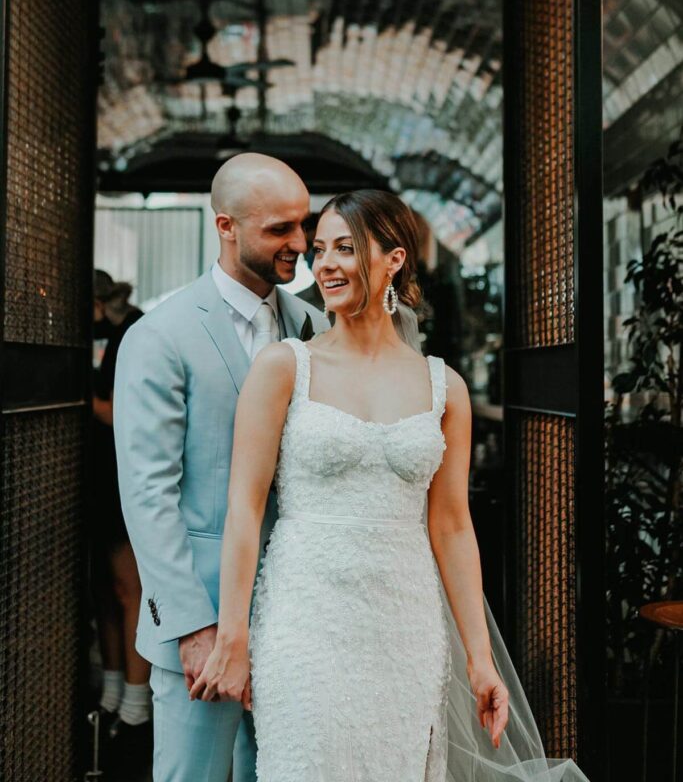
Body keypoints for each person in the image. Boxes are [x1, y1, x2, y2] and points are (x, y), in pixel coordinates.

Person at [190, 189, 591, 782]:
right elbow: (245, 511)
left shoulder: (443, 387)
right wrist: (233, 635)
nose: (323, 263)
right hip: (306, 622)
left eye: (345, 248)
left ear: (393, 260)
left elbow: (452, 526)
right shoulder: (284, 367)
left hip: (407, 629)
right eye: (319, 249)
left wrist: (481, 659)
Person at [113, 154, 328, 782]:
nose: (300, 244)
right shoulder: (160, 336)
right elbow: (149, 495)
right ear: (226, 226)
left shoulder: (315, 327)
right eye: (279, 230)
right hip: (202, 623)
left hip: (300, 614)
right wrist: (192, 627)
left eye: (303, 224)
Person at [90, 271, 151, 764]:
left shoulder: (132, 331)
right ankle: (114, 692)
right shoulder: (114, 332)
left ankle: (135, 704)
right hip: (102, 476)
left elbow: (120, 411)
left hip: (121, 475)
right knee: (107, 592)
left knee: (128, 588)